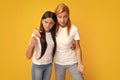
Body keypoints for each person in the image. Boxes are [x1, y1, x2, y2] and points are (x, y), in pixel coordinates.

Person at [34, 3, 85, 80]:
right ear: (56, 17)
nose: (62, 20)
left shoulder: (74, 29)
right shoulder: (53, 28)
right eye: (59, 17)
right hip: (58, 63)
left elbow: (78, 47)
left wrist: (80, 64)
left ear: (68, 16)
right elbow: (43, 28)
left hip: (72, 61)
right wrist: (35, 30)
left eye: (65, 16)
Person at [26, 11, 57, 80]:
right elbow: (28, 56)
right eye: (46, 22)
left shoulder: (54, 35)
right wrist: (31, 44)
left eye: (51, 23)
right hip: (37, 66)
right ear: (42, 21)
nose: (48, 25)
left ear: (54, 24)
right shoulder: (36, 34)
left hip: (48, 66)